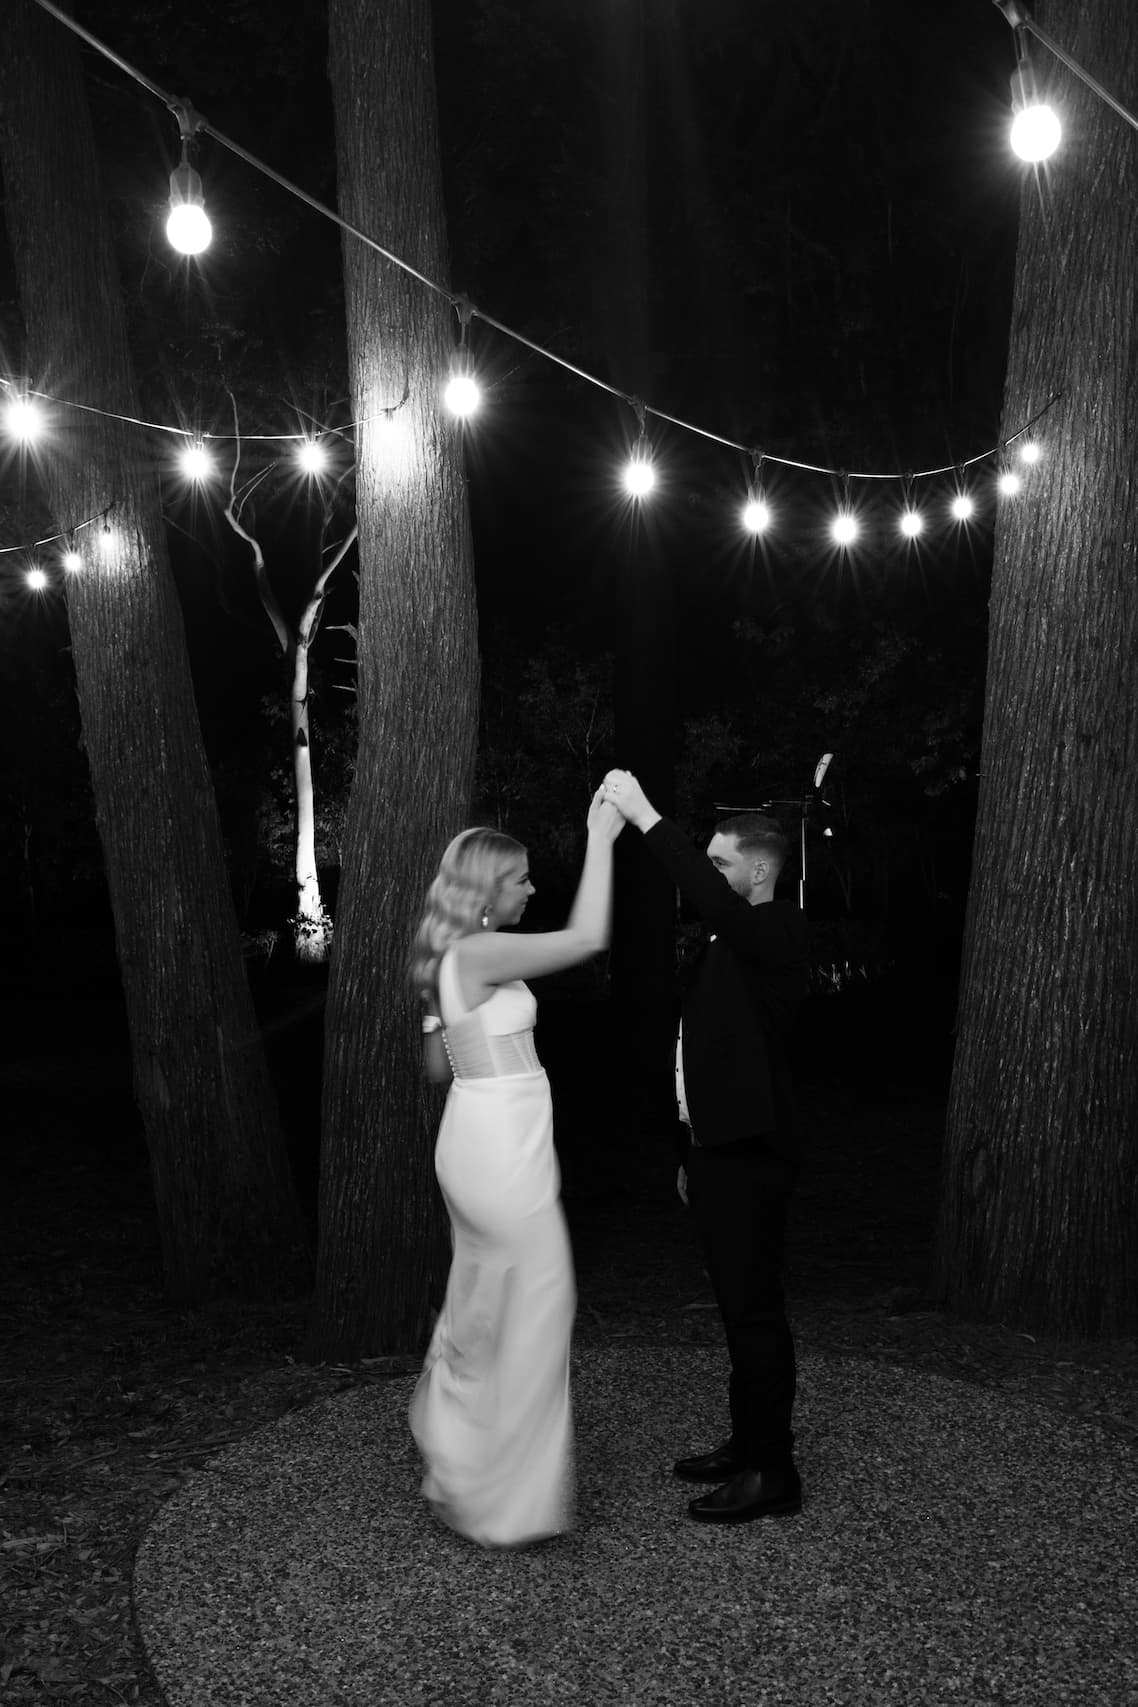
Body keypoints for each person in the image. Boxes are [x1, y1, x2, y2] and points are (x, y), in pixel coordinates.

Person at [407, 790, 624, 1548]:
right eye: (523, 877)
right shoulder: (476, 952)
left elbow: (438, 1068)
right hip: (500, 1148)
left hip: (478, 1131)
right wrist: (601, 833)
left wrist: (440, 1013)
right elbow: (590, 935)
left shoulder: (452, 957)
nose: (533, 888)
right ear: (488, 889)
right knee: (537, 1299)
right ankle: (503, 1497)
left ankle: (467, 1451)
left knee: (488, 1301)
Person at [601, 769, 811, 1525]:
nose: (710, 878)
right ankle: (746, 1441)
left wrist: (644, 813)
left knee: (756, 1313)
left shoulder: (779, 929)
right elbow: (706, 1051)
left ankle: (773, 1471)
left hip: (755, 1156)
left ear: (759, 870)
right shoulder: (732, 938)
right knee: (735, 1308)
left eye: (721, 863)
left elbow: (711, 895)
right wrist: (690, 1152)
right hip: (719, 1153)